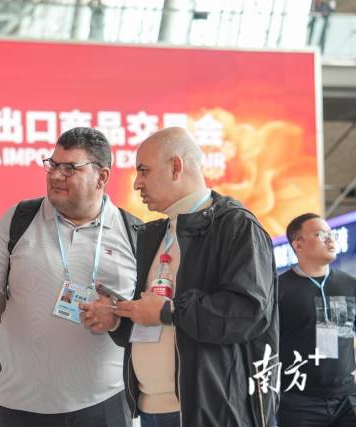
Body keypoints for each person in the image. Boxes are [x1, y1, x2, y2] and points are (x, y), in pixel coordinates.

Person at [83, 127, 279, 426]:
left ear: (176, 167)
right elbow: (156, 321)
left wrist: (169, 311)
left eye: (144, 171)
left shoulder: (236, 226)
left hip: (210, 411)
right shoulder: (155, 234)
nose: (137, 183)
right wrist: (119, 319)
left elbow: (249, 312)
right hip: (150, 411)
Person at [0, 127, 140, 426]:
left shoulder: (133, 232)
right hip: (22, 404)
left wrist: (117, 316)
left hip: (105, 402)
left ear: (102, 176)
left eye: (70, 168)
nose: (56, 175)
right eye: (53, 165)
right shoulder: (19, 218)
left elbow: (148, 314)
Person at [277, 213, 356, 426]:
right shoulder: (278, 289)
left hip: (348, 399)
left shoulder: (349, 284)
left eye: (331, 234)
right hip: (299, 403)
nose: (330, 239)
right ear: (298, 245)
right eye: (321, 234)